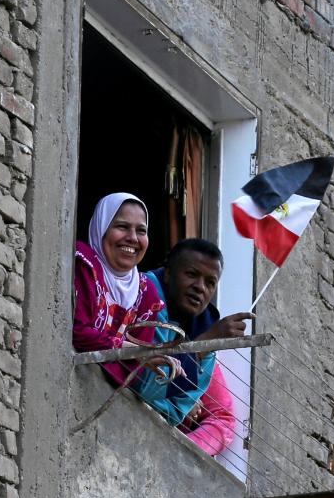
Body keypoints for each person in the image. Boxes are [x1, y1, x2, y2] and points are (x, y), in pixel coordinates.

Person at [137, 238, 254, 455]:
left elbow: (176, 412)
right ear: (169, 273)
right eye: (191, 274)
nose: (200, 287)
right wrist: (204, 343)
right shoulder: (142, 296)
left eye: (210, 282)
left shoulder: (204, 324)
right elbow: (145, 389)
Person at [72, 193, 181, 386]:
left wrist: (137, 355)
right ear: (102, 228)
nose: (132, 238)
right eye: (122, 227)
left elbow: (131, 371)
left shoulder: (147, 293)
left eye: (141, 230)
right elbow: (77, 331)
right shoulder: (84, 263)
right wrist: (129, 350)